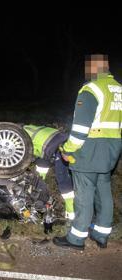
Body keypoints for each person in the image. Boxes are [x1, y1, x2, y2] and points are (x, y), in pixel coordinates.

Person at [53, 54, 122, 250]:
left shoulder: (90, 89)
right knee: (104, 189)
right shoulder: (117, 89)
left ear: (94, 68)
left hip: (90, 148)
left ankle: (76, 238)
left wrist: (67, 149)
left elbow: (81, 129)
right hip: (112, 147)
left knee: (84, 192)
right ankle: (101, 234)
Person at [23, 125, 75, 220]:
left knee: (63, 181)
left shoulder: (18, 138)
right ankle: (38, 200)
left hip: (61, 148)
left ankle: (71, 215)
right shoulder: (27, 128)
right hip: (57, 143)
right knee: (39, 175)